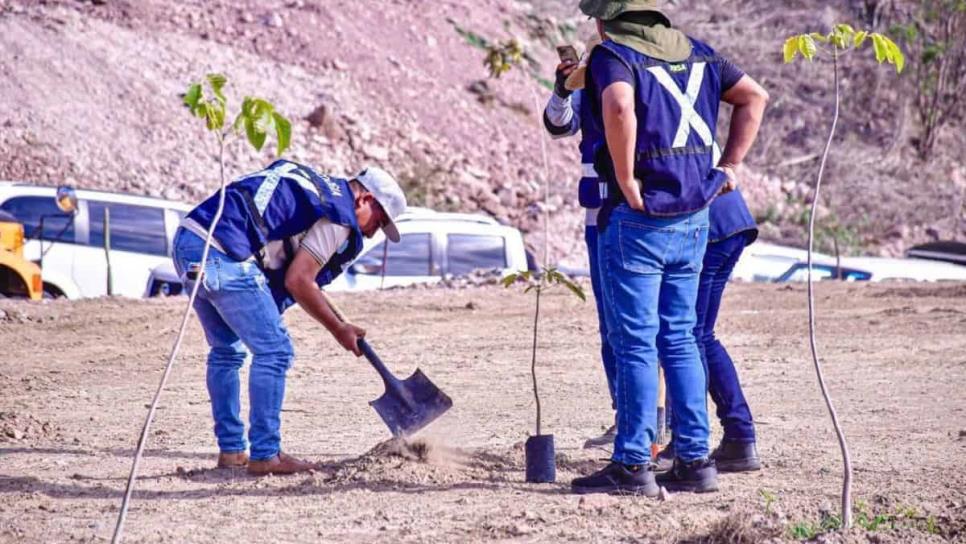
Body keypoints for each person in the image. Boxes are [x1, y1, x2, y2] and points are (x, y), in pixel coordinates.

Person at [571, 0, 768, 496]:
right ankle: (695, 461)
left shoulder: (611, 56)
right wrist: (730, 165)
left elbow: (617, 106)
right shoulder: (700, 54)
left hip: (639, 219)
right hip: (694, 216)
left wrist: (624, 177)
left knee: (635, 340)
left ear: (604, 19)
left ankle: (634, 464)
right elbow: (754, 96)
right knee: (679, 337)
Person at [171, 160, 406, 475]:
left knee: (227, 351)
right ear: (364, 200)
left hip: (189, 241)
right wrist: (338, 328)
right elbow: (299, 280)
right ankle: (266, 454)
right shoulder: (340, 215)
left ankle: (232, 450)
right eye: (378, 221)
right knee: (275, 350)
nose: (372, 232)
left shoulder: (317, 188)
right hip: (225, 254)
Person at [541, 39, 619, 449]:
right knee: (610, 326)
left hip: (628, 209)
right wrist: (562, 89)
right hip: (597, 213)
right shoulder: (591, 89)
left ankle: (658, 423)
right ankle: (627, 414)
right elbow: (557, 125)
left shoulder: (635, 84)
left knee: (640, 325)